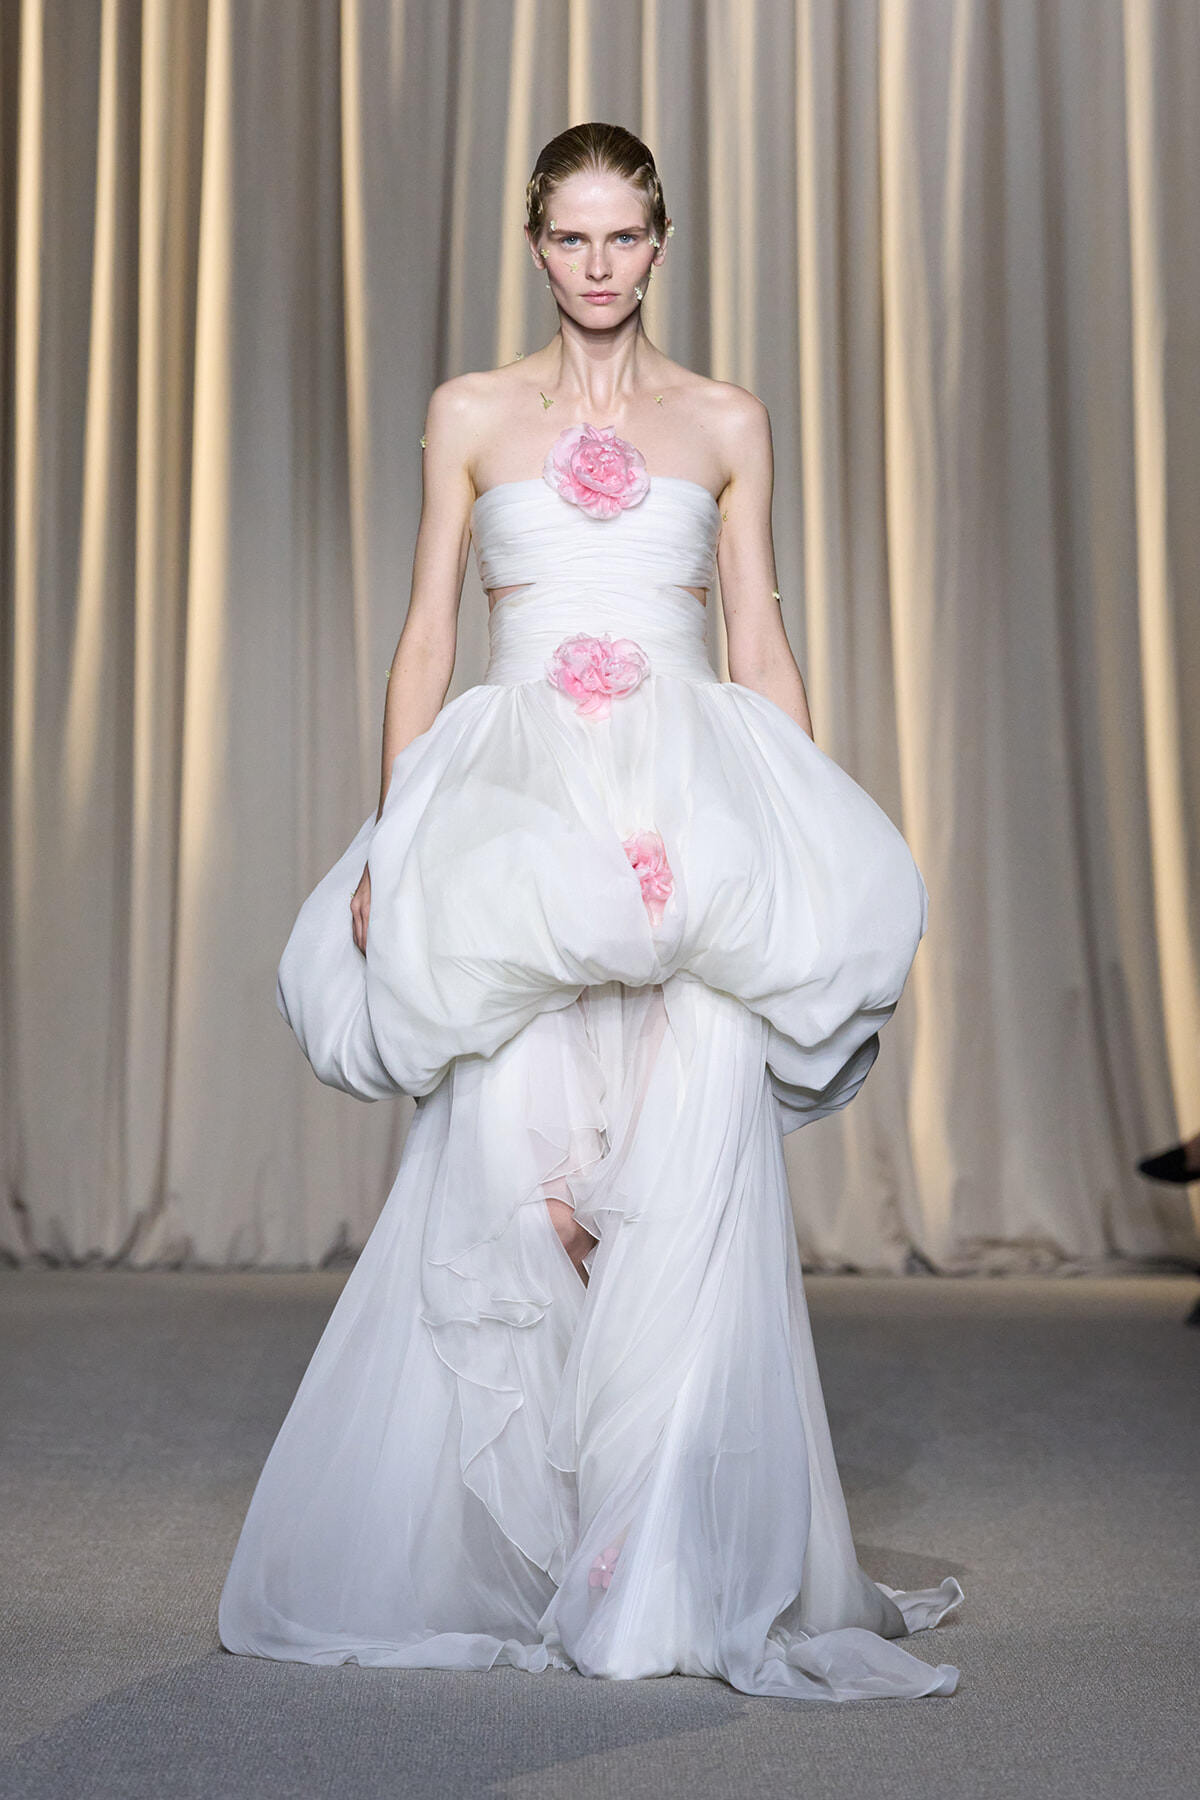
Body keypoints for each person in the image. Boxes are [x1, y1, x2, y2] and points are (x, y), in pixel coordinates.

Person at [218, 123, 962, 1701]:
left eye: (625, 236)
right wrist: (397, 834)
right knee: (523, 1175)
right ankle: (552, 1538)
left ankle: (656, 1553)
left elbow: (757, 639)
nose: (600, 264)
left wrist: (804, 832)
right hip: (518, 815)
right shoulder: (471, 413)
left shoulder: (729, 420)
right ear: (537, 246)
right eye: (573, 236)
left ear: (661, 243)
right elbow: (429, 636)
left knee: (689, 1165)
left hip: (686, 809)